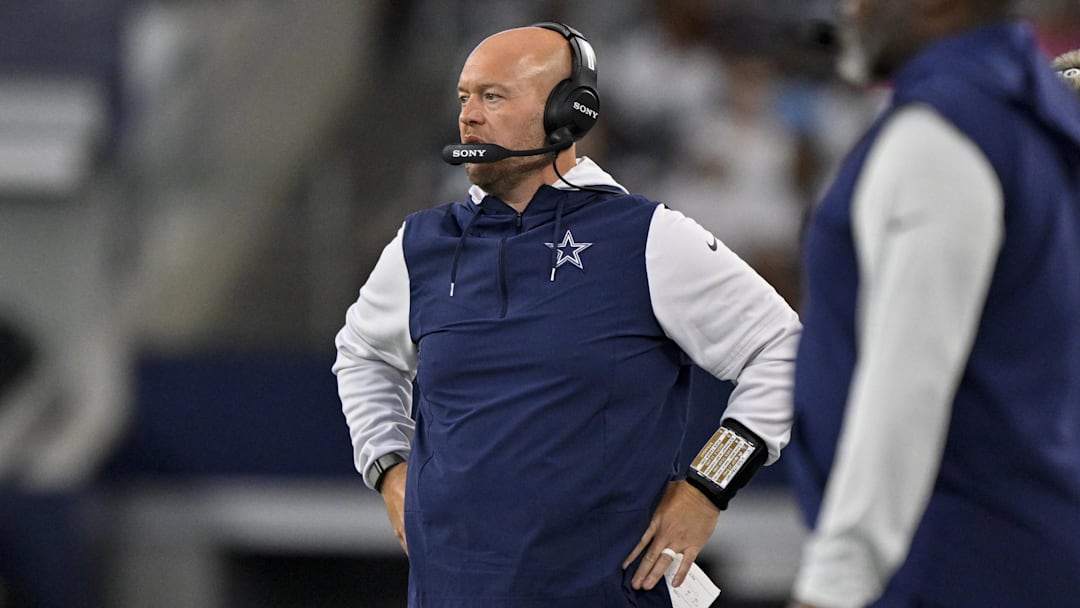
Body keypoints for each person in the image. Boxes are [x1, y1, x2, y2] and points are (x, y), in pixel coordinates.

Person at [333, 22, 801, 607]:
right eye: (464, 97)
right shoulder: (420, 246)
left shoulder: (647, 237)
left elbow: (782, 348)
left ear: (567, 113)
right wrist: (388, 469)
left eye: (493, 96)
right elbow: (361, 355)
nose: (468, 117)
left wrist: (709, 487)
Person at [787, 1, 1080, 606]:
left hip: (945, 559)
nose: (849, 10)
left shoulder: (944, 134)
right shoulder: (1032, 112)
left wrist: (836, 582)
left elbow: (909, 385)